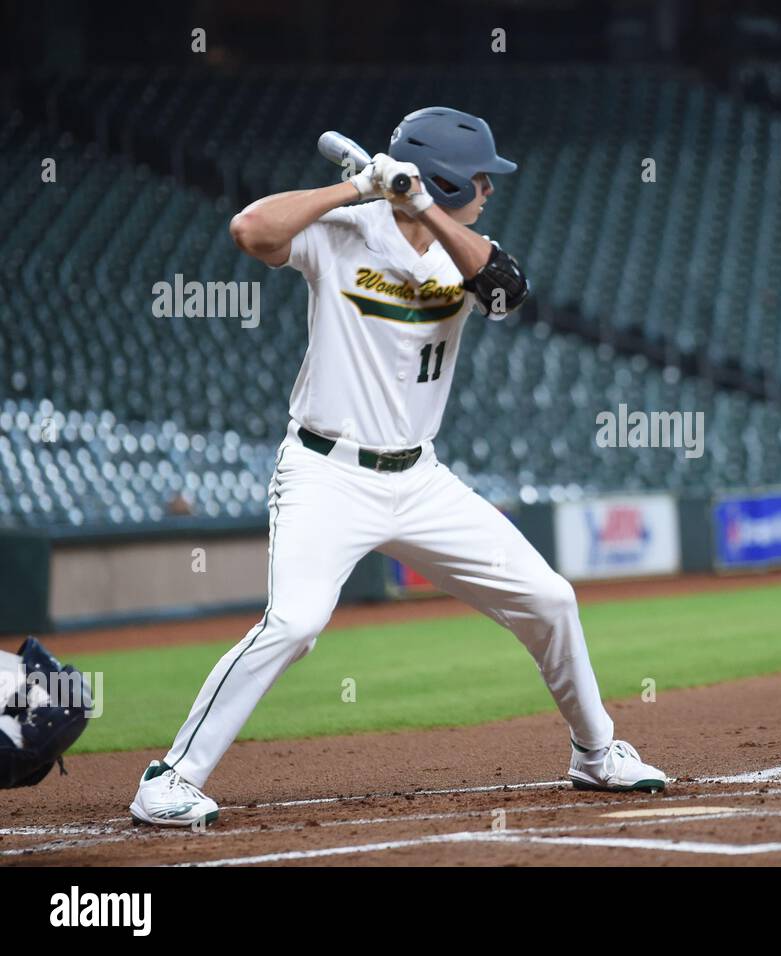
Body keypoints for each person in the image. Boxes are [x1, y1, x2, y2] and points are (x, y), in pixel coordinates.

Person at [129, 107, 667, 827]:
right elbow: (249, 231)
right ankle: (169, 778)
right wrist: (358, 191)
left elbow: (509, 291)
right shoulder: (339, 234)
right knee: (294, 623)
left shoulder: (469, 250)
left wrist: (423, 208)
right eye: (480, 178)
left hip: (419, 481)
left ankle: (596, 754)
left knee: (551, 600)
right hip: (327, 472)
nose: (490, 189)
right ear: (450, 179)